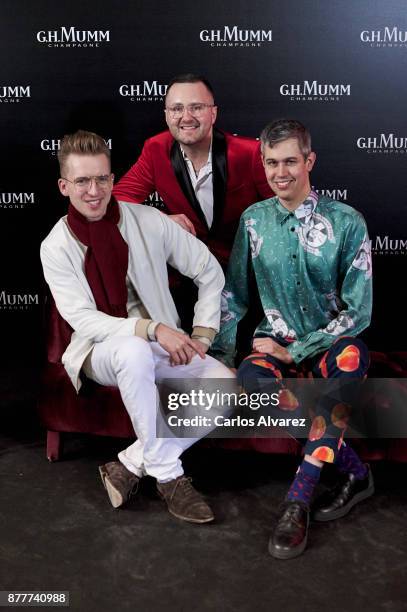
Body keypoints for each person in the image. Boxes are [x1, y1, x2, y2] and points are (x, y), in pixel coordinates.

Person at [40, 130, 234, 524]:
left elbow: (209, 271)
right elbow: (82, 319)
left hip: (162, 344)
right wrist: (151, 329)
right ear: (64, 186)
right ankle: (169, 476)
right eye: (81, 181)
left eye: (101, 179)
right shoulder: (55, 245)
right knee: (132, 349)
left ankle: (129, 464)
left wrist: (202, 334)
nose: (93, 191)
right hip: (100, 350)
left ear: (113, 179)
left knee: (226, 384)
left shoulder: (148, 220)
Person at [211, 119, 374, 558]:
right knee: (252, 378)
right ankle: (355, 472)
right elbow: (235, 296)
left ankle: (297, 500)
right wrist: (221, 355)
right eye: (271, 162)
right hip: (273, 346)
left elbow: (358, 312)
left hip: (330, 346)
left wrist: (297, 349)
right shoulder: (253, 221)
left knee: (352, 358)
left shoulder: (347, 222)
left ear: (309, 161)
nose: (280, 172)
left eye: (289, 161)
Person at [112, 73, 273, 267]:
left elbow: (283, 209)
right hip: (186, 270)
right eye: (177, 109)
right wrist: (159, 221)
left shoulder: (249, 153)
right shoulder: (156, 149)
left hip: (245, 270)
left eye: (196, 108)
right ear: (166, 115)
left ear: (213, 114)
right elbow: (116, 200)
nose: (186, 117)